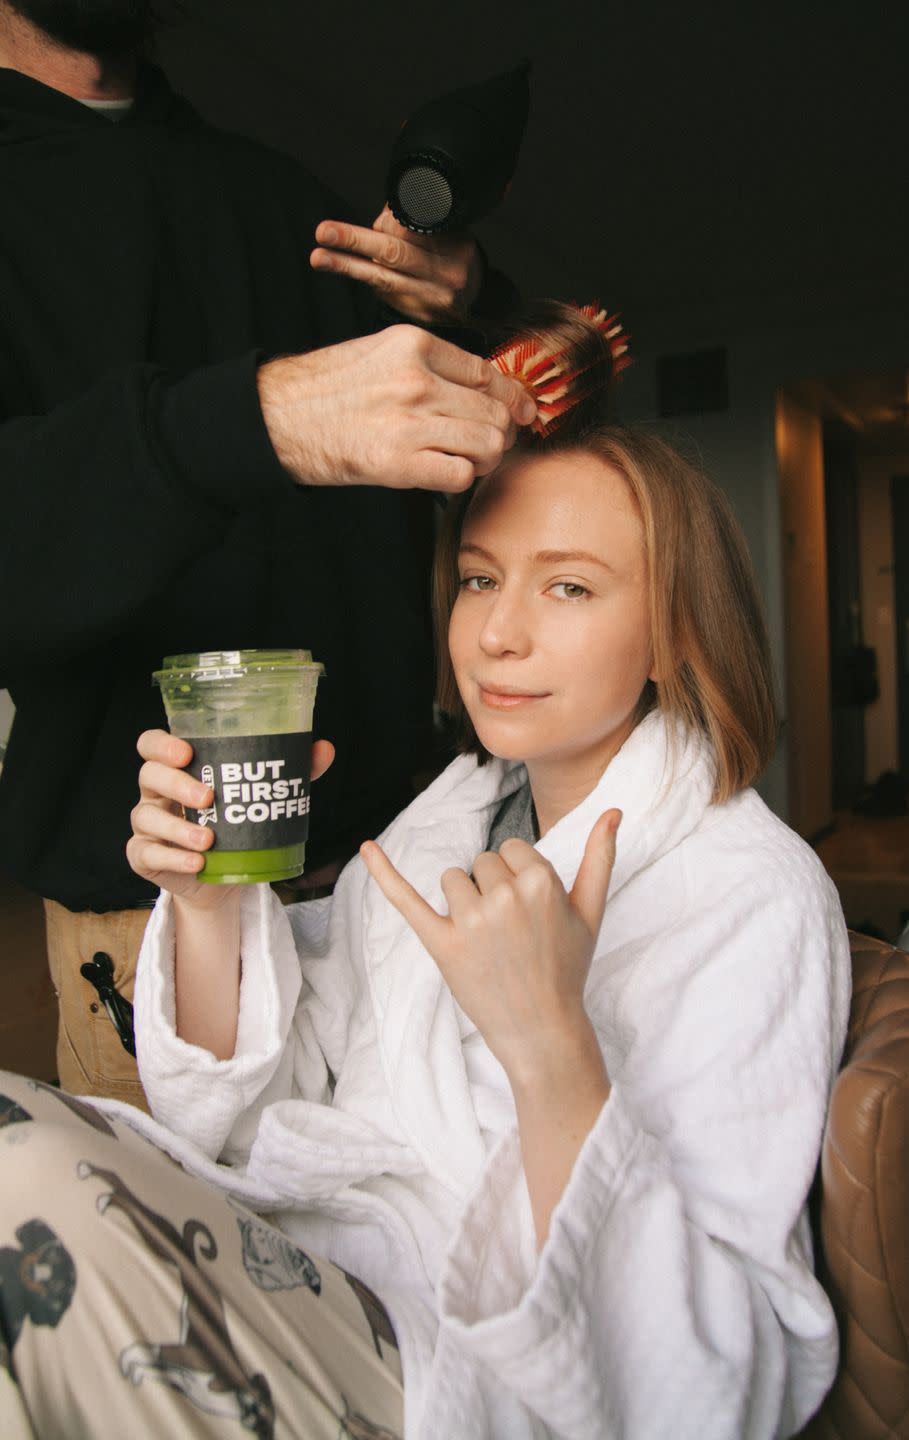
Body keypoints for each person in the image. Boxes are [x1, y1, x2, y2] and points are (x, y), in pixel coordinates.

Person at [0, 301, 851, 1438]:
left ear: (676, 633)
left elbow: (712, 1391)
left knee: (31, 1201)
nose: (497, 633)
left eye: (569, 587)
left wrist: (551, 1046)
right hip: (329, 1267)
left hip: (477, 1376)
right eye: (482, 579)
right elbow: (260, 1103)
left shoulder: (751, 892)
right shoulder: (450, 820)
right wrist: (210, 903)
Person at [0, 0, 535, 1106]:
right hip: (142, 919)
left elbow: (548, 415)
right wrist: (257, 420)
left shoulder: (285, 199)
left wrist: (477, 305)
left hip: (398, 885)